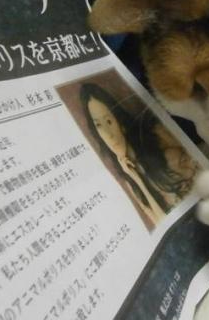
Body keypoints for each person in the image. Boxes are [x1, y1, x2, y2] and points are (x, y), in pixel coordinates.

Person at [80, 83, 196, 225]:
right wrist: (137, 180)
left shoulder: (157, 134)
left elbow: (196, 162)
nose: (108, 134)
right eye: (98, 125)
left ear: (119, 121)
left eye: (109, 121)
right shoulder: (129, 179)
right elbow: (161, 223)